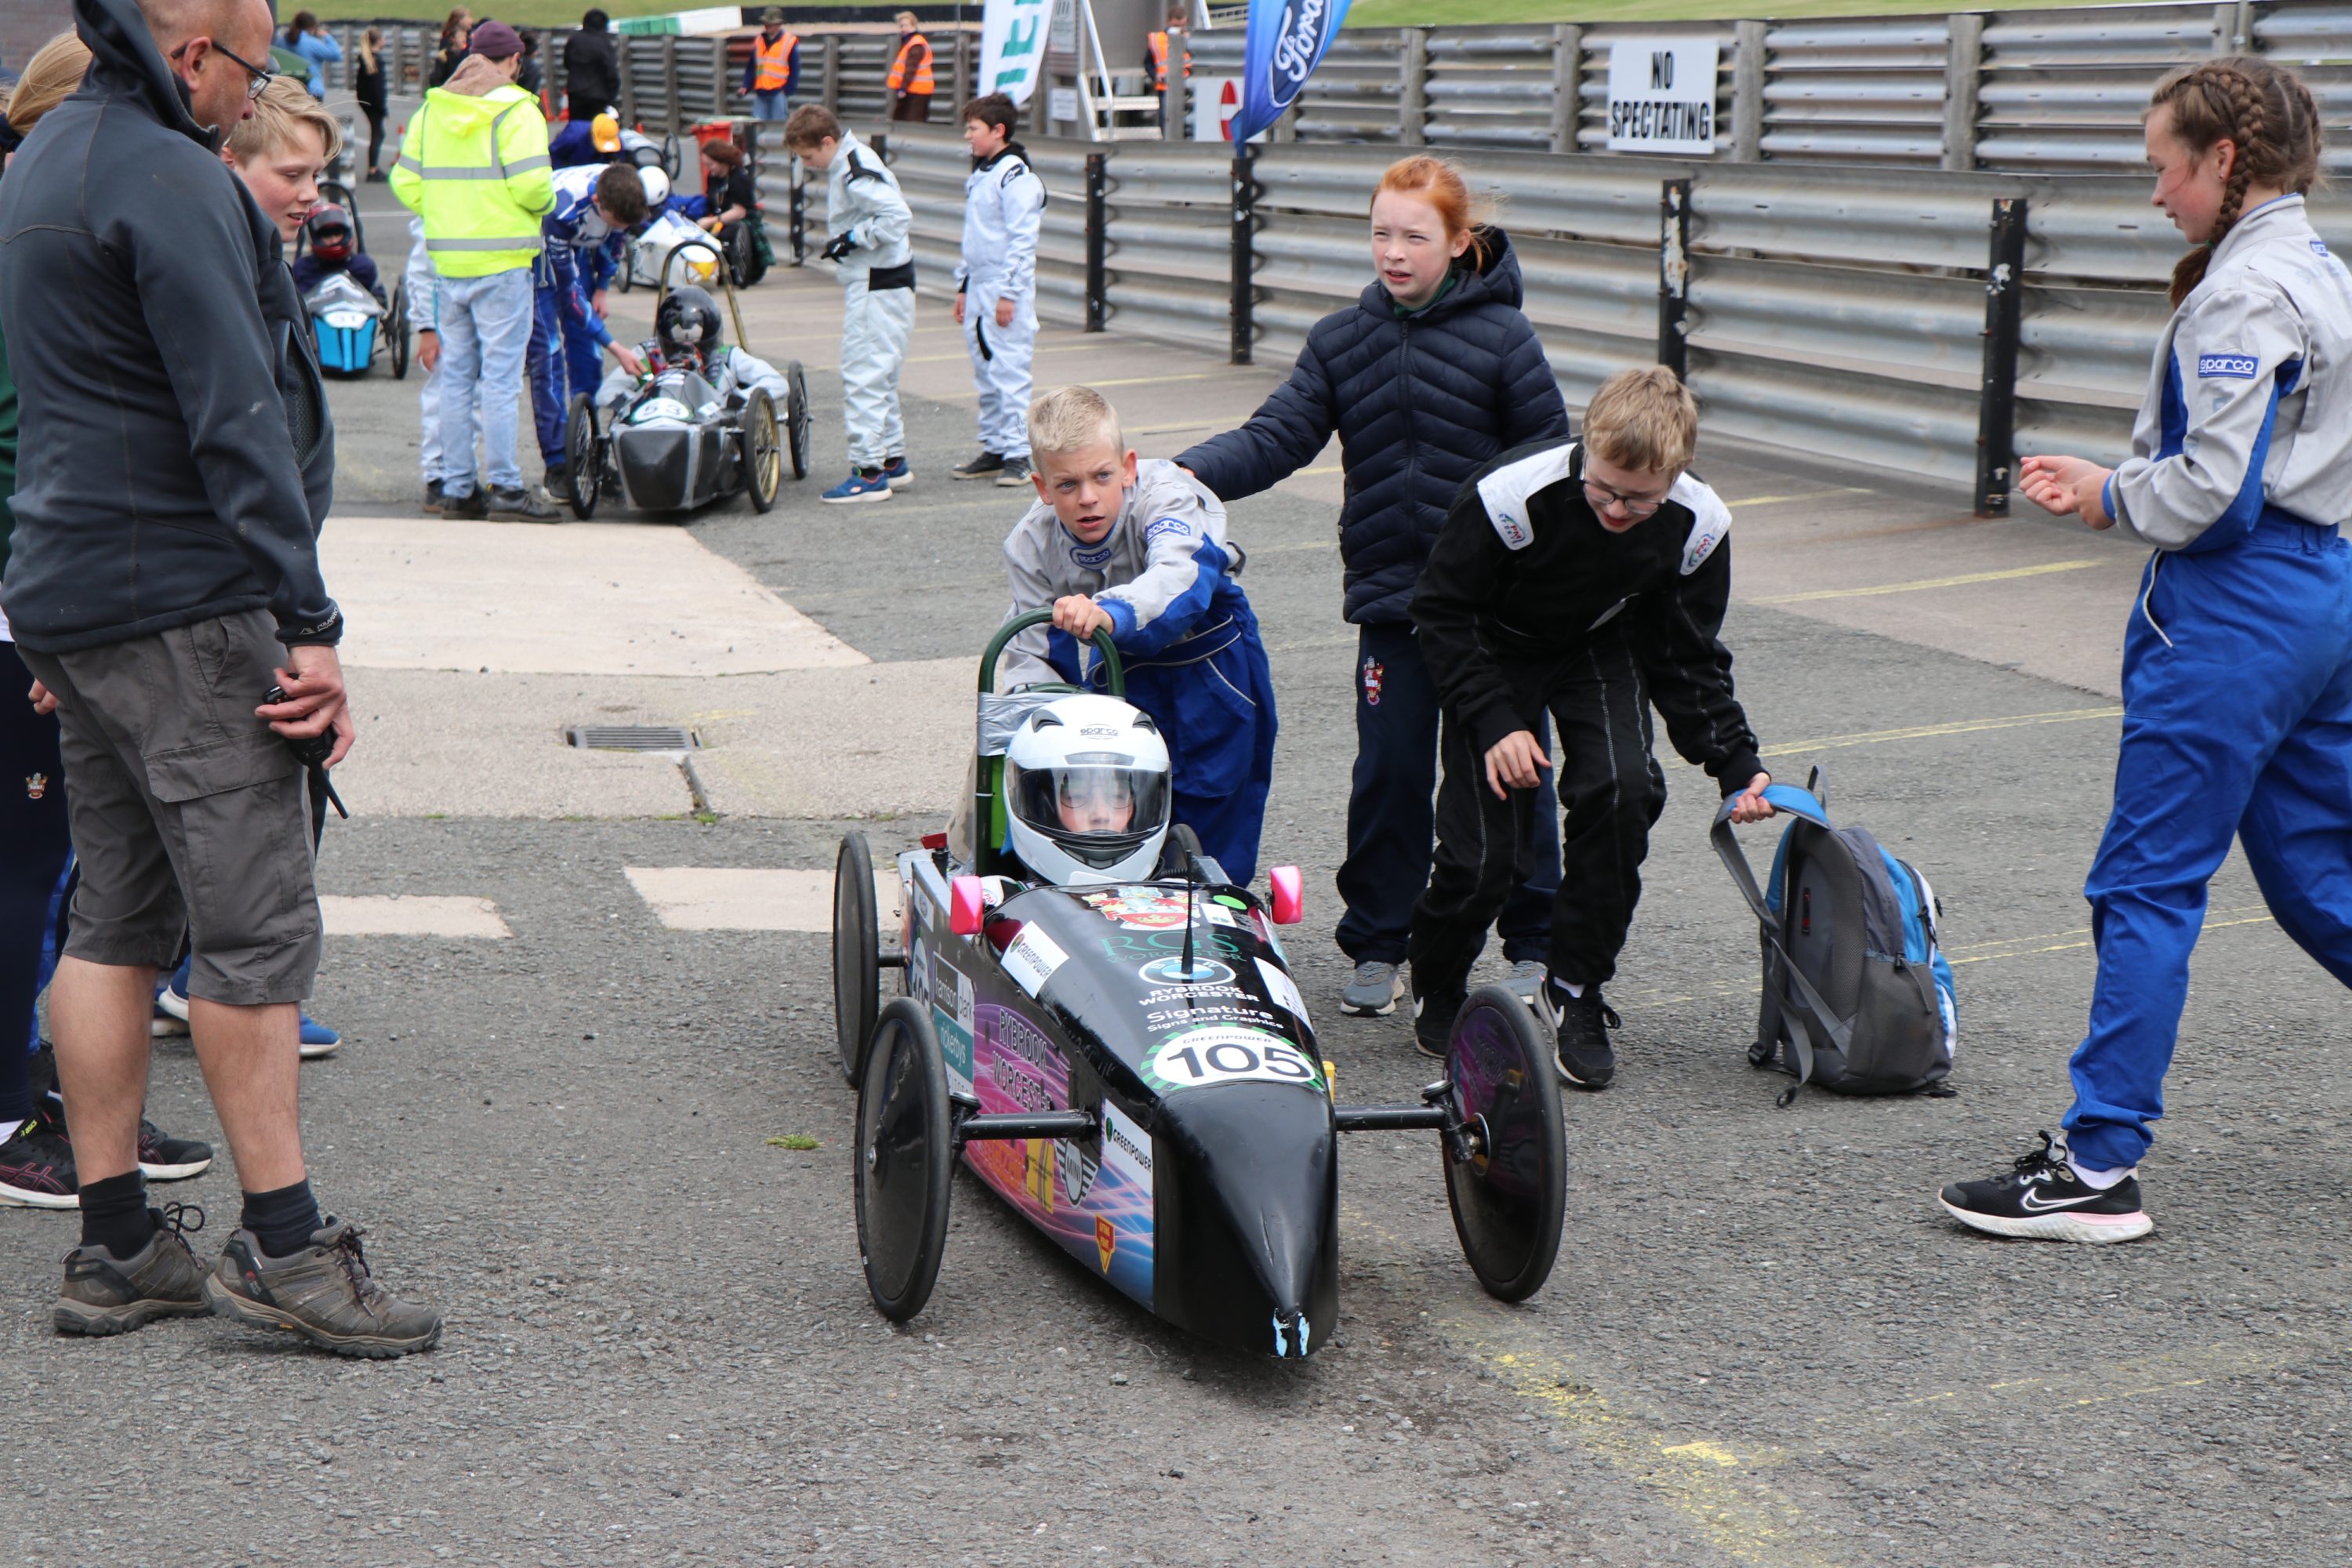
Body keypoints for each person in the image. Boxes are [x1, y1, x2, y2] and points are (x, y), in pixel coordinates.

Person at [0, 0, 439, 1353]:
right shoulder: (171, 176)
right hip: (182, 602)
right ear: (195, 53)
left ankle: (118, 1239)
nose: (253, 100)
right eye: (250, 72)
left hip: (69, 594)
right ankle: (287, 1247)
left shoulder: (41, 164)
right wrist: (308, 623)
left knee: (115, 917)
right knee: (252, 926)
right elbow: (233, 411)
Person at [1940, 57, 2352, 1246]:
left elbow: (2217, 499)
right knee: (2323, 880)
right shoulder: (2322, 268)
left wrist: (2109, 492)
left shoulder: (2243, 292)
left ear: (2225, 161)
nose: (2157, 193)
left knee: (2146, 884)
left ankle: (2099, 1163)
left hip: (2238, 608)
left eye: (2165, 168)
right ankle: (2099, 1149)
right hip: (2320, 596)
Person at [1176, 155, 1569, 1018]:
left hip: (1497, 612)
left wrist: (1483, 534)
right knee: (1389, 771)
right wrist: (1174, 477)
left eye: (1414, 236)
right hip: (1394, 604)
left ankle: (1535, 940)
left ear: (1459, 243)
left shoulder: (1507, 339)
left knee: (1508, 769)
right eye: (1380, 232)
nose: (1393, 252)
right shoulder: (1340, 340)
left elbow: (1548, 457)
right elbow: (1275, 436)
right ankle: (1381, 940)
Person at [1406, 368, 1772, 1079]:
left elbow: (1687, 656)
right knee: (1488, 851)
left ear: (1678, 473)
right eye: (1603, 488)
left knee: (1624, 790)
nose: (1615, 508)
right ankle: (1439, 982)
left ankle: (1574, 988)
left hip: (1599, 646)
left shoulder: (1699, 525)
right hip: (1493, 646)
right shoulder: (1511, 494)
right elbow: (1442, 612)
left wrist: (1735, 761)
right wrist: (1496, 720)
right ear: (1588, 447)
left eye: (1639, 501)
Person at [0, 27, 214, 1213]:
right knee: (29, 875)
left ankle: (45, 1085)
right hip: (33, 603)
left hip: (40, 595)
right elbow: (18, 444)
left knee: (51, 877)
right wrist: (36, 610)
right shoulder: (34, 240)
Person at [998, 386, 1277, 884]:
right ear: (1042, 487)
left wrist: (1108, 612)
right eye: (1067, 485)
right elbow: (1033, 653)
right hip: (1121, 673)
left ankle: (1213, 922)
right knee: (1110, 804)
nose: (1087, 498)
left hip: (1212, 664)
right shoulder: (1029, 544)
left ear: (1127, 467)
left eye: (1102, 477)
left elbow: (1178, 578)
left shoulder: (1167, 495)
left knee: (1214, 808)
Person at [392, 24, 561, 522]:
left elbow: (406, 182)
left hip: (450, 261)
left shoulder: (433, 109)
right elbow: (534, 186)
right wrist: (546, 203)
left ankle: (460, 490)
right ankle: (507, 487)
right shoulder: (517, 108)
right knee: (502, 380)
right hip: (504, 262)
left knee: (457, 377)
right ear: (512, 62)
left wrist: (446, 211)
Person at [786, 103, 915, 503]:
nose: (808, 164)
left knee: (862, 375)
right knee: (882, 375)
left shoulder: (854, 169)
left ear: (828, 142)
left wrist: (853, 237)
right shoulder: (855, 159)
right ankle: (892, 459)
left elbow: (897, 216)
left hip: (877, 283)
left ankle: (868, 473)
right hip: (887, 279)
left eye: (809, 156)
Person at [532, 162, 647, 502]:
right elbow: (569, 295)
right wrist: (617, 347)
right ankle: (558, 465)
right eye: (614, 220)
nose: (620, 227)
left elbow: (615, 241)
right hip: (541, 261)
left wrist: (602, 288)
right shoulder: (563, 209)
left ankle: (592, 454)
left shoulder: (624, 194)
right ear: (598, 201)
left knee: (588, 360)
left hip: (580, 251)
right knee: (548, 359)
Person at [951, 93, 1044, 490]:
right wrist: (963, 286)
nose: (968, 136)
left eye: (974, 129)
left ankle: (1019, 453)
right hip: (979, 285)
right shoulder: (982, 173)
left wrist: (1009, 293)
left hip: (1005, 286)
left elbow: (1023, 241)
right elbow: (974, 238)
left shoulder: (1015, 175)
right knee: (984, 371)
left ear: (998, 131)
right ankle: (994, 447)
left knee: (1009, 370)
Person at [591, 283, 788, 417]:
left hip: (712, 425)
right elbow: (606, 392)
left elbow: (778, 383)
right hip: (657, 420)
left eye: (694, 341)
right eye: (679, 341)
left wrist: (736, 400)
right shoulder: (647, 354)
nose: (687, 349)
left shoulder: (728, 357)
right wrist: (635, 402)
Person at [290, 204, 385, 308]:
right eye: (327, 235)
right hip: (316, 321)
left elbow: (380, 306)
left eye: (337, 234)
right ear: (315, 238)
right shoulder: (302, 269)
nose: (334, 240)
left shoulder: (364, 266)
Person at [742, 7, 797, 124]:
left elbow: (795, 70)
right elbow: (752, 67)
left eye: (769, 24)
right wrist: (746, 86)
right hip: (761, 93)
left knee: (778, 127)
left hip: (778, 93)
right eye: (765, 24)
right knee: (756, 126)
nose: (766, 26)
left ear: (778, 24)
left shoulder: (789, 42)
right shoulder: (759, 41)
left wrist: (787, 91)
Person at [562, 7, 618, 122]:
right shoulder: (604, 44)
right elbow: (612, 72)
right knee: (596, 132)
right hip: (598, 96)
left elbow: (567, 63)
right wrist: (611, 96)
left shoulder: (574, 40)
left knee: (577, 129)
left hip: (575, 93)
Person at [352, 25, 387, 179]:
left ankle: (373, 167)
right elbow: (378, 87)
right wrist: (382, 107)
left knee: (377, 132)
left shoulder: (366, 59)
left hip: (366, 101)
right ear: (379, 41)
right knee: (378, 133)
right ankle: (373, 169)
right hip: (374, 103)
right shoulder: (376, 60)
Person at [886, 11, 932, 124]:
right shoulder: (910, 42)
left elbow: (911, 68)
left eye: (906, 25)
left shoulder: (916, 44)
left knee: (912, 121)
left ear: (914, 25)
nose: (903, 29)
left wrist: (903, 88)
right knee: (903, 119)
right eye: (901, 26)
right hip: (913, 89)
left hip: (917, 89)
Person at [281, 10, 338, 100]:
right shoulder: (312, 43)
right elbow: (336, 55)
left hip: (286, 92)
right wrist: (326, 36)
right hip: (312, 91)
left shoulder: (281, 41)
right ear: (312, 27)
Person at [430, 8, 470, 87]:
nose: (464, 39)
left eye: (465, 36)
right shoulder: (444, 57)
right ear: (453, 39)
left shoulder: (466, 55)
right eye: (461, 37)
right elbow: (436, 80)